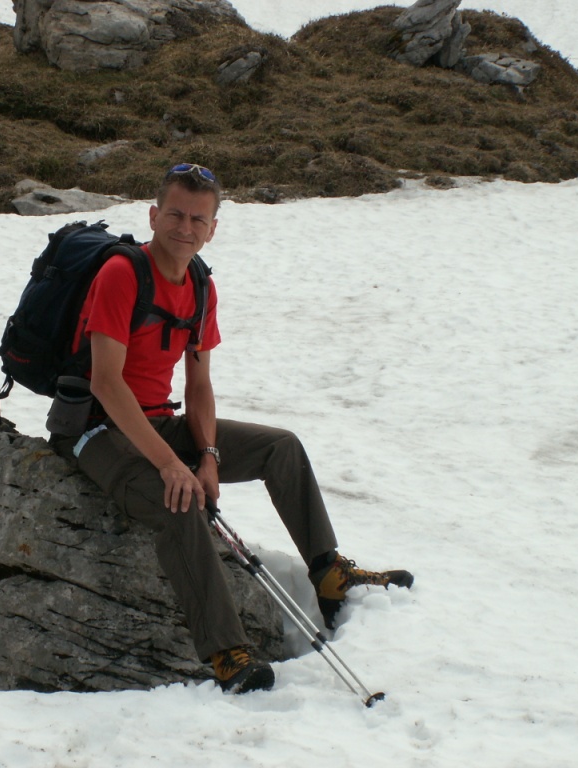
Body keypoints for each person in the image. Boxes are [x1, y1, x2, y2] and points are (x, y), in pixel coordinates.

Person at [54, 163, 412, 694]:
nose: (185, 227)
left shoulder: (200, 286)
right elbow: (106, 383)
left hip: (158, 420)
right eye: (175, 214)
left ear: (213, 228)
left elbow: (198, 385)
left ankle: (329, 574)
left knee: (281, 448)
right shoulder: (122, 274)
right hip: (95, 430)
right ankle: (227, 653)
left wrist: (208, 456)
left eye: (198, 219)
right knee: (180, 503)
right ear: (153, 216)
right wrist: (171, 465)